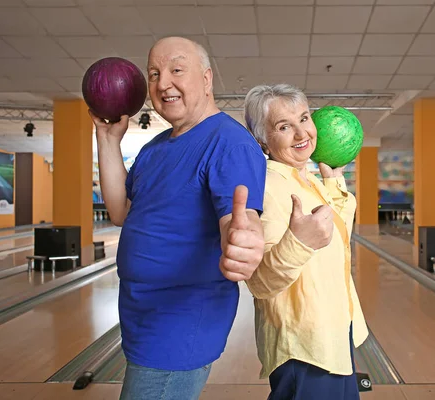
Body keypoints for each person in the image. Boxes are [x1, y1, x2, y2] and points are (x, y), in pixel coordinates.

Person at [88, 37, 267, 400]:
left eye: (176, 70)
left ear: (206, 78)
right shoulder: (155, 149)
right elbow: (121, 210)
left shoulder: (228, 142)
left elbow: (238, 215)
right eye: (154, 73)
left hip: (182, 320)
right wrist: (108, 140)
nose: (162, 82)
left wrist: (243, 237)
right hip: (142, 315)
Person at [243, 83, 369, 400]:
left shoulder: (304, 178)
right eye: (284, 126)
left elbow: (333, 234)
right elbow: (260, 281)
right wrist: (299, 242)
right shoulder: (268, 186)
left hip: (332, 331)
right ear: (263, 140)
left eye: (304, 118)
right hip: (303, 344)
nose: (302, 135)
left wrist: (333, 178)